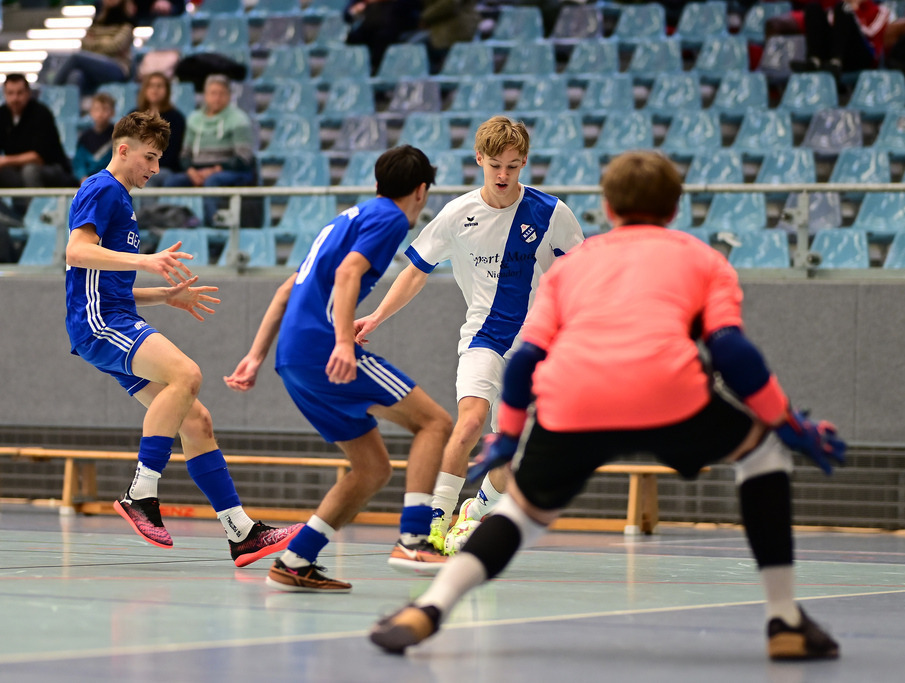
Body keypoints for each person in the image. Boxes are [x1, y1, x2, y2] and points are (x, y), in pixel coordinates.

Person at [370, 150, 846, 661]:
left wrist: (508, 436)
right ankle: (785, 619)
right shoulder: (702, 258)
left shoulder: (579, 265)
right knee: (763, 454)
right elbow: (731, 351)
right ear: (674, 206)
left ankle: (430, 607)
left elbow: (527, 359)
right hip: (670, 392)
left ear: (608, 207)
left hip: (576, 397)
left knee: (523, 511)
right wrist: (786, 421)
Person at [64, 111, 302, 568]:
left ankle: (241, 531)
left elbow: (106, 280)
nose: (154, 169)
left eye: (159, 160)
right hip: (98, 322)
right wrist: (147, 261)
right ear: (123, 149)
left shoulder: (122, 199)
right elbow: (76, 251)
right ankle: (141, 493)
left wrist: (164, 295)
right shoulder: (102, 188)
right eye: (149, 158)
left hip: (112, 314)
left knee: (197, 420)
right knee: (186, 374)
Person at [224, 145, 453, 592]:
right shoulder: (389, 218)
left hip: (293, 357)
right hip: (322, 349)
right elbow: (350, 274)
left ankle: (295, 560)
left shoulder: (343, 220)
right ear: (422, 191)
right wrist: (345, 343)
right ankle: (413, 539)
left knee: (372, 469)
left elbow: (287, 291)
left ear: (376, 183)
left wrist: (256, 355)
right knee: (435, 422)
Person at [354, 115, 584, 555]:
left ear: (524, 164)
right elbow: (416, 271)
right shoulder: (458, 214)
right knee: (470, 422)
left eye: (513, 166)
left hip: (539, 348)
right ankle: (433, 521)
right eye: (495, 164)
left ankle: (476, 511)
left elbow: (584, 277)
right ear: (479, 158)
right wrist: (376, 316)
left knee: (511, 452)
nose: (503, 175)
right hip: (484, 337)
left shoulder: (552, 213)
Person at [148, 74, 255, 226]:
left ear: (229, 96)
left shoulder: (239, 120)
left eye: (221, 93)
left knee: (212, 181)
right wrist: (190, 170)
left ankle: (213, 225)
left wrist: (214, 170)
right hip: (197, 170)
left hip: (230, 171)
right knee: (173, 181)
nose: (217, 98)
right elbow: (185, 154)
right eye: (213, 93)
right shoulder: (194, 119)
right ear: (205, 95)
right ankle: (170, 223)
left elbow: (244, 158)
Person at [0, 74, 76, 216]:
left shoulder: (41, 113)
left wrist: (4, 161)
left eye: (19, 93)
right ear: (5, 94)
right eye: (10, 93)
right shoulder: (2, 115)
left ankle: (36, 219)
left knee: (29, 170)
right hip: (17, 173)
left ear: (28, 93)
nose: (15, 98)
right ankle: (8, 219)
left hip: (53, 170)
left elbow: (37, 157)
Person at [788, 0, 892, 81]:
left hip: (863, 55)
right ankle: (814, 61)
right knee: (813, 8)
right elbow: (835, 31)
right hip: (841, 53)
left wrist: (854, 11)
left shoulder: (880, 10)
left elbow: (871, 33)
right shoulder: (838, 10)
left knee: (843, 8)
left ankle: (836, 62)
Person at [56, 0, 134, 95]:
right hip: (93, 66)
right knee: (76, 75)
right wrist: (106, 41)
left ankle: (52, 90)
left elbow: (115, 46)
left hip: (117, 67)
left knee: (75, 57)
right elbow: (84, 44)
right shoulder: (96, 24)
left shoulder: (126, 26)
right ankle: (70, 107)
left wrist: (95, 43)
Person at [135, 72, 186, 174]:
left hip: (164, 167)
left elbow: (173, 152)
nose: (155, 90)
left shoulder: (176, 118)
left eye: (159, 86)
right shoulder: (134, 116)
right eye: (151, 86)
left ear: (167, 90)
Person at [73, 93, 116, 183]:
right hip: (88, 181)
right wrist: (83, 178)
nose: (100, 114)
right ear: (91, 112)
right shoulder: (85, 138)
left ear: (112, 113)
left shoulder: (117, 136)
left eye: (105, 109)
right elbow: (79, 163)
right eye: (97, 109)